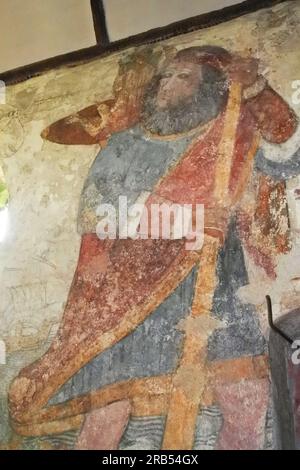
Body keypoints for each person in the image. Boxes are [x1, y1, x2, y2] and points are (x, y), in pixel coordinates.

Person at [9, 45, 300, 450]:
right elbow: (96, 213)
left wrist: (257, 89)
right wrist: (185, 219)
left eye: (184, 77)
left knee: (246, 397)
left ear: (208, 88)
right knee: (108, 411)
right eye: (166, 76)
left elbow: (287, 156)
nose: (168, 85)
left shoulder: (230, 128)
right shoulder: (124, 144)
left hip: (218, 285)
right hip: (135, 293)